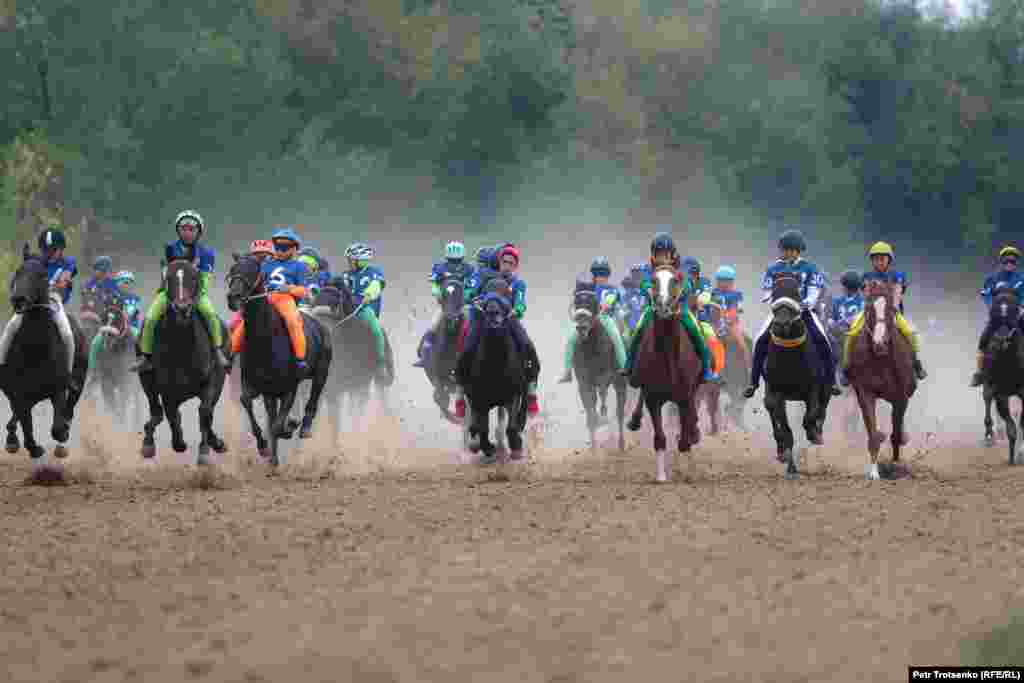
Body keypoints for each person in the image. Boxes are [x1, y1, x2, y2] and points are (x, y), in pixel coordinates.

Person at [743, 228, 839, 398]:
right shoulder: (773, 268)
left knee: (823, 339)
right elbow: (767, 292)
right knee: (759, 339)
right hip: (779, 311)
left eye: (792, 250)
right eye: (785, 249)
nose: (787, 253)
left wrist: (803, 304)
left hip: (804, 312)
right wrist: (775, 303)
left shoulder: (810, 268)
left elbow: (813, 293)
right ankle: (753, 382)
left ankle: (831, 381)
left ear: (799, 250)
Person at [133, 210, 229, 372]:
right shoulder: (170, 249)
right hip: (170, 292)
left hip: (196, 293)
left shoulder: (207, 253)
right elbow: (166, 274)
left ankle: (218, 351)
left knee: (210, 314)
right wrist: (167, 293)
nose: (187, 232)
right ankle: (145, 356)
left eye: (191, 229)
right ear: (178, 230)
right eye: (183, 229)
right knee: (149, 318)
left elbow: (205, 279)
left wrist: (195, 296)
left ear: (198, 231)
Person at [621, 232, 718, 383]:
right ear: (653, 255)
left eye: (665, 254)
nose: (662, 258)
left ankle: (706, 368)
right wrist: (647, 288)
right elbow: (643, 282)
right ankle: (629, 364)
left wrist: (682, 290)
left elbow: (688, 283)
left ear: (672, 255)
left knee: (696, 331)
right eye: (659, 254)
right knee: (638, 330)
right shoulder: (647, 269)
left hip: (679, 309)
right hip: (654, 309)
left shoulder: (681, 268)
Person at [0, 227, 79, 391]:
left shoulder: (68, 262)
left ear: (61, 249)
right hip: (33, 301)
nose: (49, 254)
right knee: (10, 327)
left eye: (53, 250)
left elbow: (65, 279)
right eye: (45, 250)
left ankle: (67, 375)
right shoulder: (36, 262)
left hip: (53, 301)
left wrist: (59, 282)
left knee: (67, 333)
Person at [231, 228, 310, 370]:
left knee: (293, 321)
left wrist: (289, 288)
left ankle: (300, 358)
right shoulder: (266, 264)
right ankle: (230, 353)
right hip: (265, 297)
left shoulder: (299, 266)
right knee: (245, 323)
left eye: (284, 247)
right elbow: (256, 282)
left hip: (285, 299)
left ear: (294, 249)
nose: (280, 250)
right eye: (277, 247)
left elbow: (303, 291)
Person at [858, 241, 926, 380]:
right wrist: (869, 304)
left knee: (909, 333)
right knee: (852, 332)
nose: (879, 261)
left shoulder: (897, 275)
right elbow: (865, 293)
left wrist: (893, 306)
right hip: (871, 312)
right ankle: (848, 365)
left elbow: (898, 292)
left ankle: (916, 363)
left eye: (882, 258)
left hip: (891, 312)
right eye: (876, 259)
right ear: (872, 260)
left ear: (889, 260)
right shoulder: (866, 276)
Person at [559, 257, 627, 383]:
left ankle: (624, 367)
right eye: (597, 274)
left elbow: (612, 298)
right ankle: (567, 372)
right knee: (571, 340)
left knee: (616, 337)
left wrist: (607, 303)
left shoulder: (611, 289)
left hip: (605, 317)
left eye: (603, 274)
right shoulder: (588, 288)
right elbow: (579, 299)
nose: (600, 277)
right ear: (593, 275)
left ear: (607, 275)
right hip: (589, 319)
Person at [414, 240, 478, 369]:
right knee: (433, 326)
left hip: (463, 305)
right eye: (451, 260)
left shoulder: (470, 269)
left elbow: (472, 285)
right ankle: (424, 354)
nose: (454, 263)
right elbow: (434, 283)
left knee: (472, 326)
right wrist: (436, 292)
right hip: (445, 305)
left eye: (457, 260)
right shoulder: (439, 267)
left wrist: (467, 295)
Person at [340, 241, 392, 382]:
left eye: (351, 260)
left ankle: (381, 363)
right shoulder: (345, 275)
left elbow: (376, 285)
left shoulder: (374, 272)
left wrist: (369, 294)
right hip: (346, 308)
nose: (349, 262)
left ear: (361, 261)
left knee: (376, 329)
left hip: (364, 308)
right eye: (349, 260)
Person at [828, 270, 864, 387]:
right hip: (839, 331)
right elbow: (831, 318)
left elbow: (862, 316)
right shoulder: (837, 301)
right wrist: (832, 323)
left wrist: (849, 322)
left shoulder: (862, 301)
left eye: (844, 286)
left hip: (857, 331)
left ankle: (844, 370)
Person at [711, 265, 750, 366]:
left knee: (741, 343)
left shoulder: (736, 294)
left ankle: (748, 365)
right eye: (719, 281)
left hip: (732, 323)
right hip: (715, 322)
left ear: (731, 282)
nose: (722, 283)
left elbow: (736, 308)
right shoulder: (713, 293)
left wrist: (729, 318)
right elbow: (710, 307)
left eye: (725, 281)